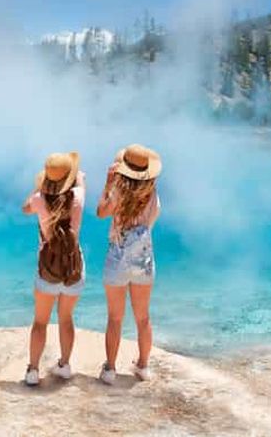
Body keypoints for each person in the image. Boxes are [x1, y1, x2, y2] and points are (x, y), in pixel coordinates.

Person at [96, 144, 162, 384]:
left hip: (117, 257)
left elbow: (101, 212)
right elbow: (152, 219)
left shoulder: (118, 193)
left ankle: (110, 369)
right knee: (143, 317)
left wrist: (108, 183)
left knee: (115, 318)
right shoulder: (153, 195)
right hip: (143, 259)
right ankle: (143, 366)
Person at [21, 152, 86, 386]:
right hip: (72, 267)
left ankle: (33, 370)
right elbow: (80, 183)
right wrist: (78, 179)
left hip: (47, 268)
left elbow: (25, 208)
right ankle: (65, 365)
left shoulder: (39, 199)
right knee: (66, 318)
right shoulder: (79, 195)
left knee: (40, 322)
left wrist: (39, 188)